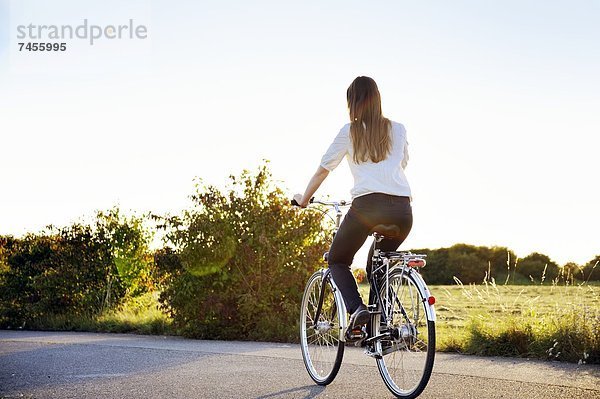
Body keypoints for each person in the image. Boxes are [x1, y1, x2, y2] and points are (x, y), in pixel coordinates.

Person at [294, 76, 413, 331]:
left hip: (367, 207)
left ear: (353, 103)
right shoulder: (399, 129)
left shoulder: (349, 132)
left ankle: (358, 310)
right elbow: (402, 163)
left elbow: (323, 170)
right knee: (377, 266)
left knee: (337, 259)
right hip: (403, 210)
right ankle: (379, 329)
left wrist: (303, 199)